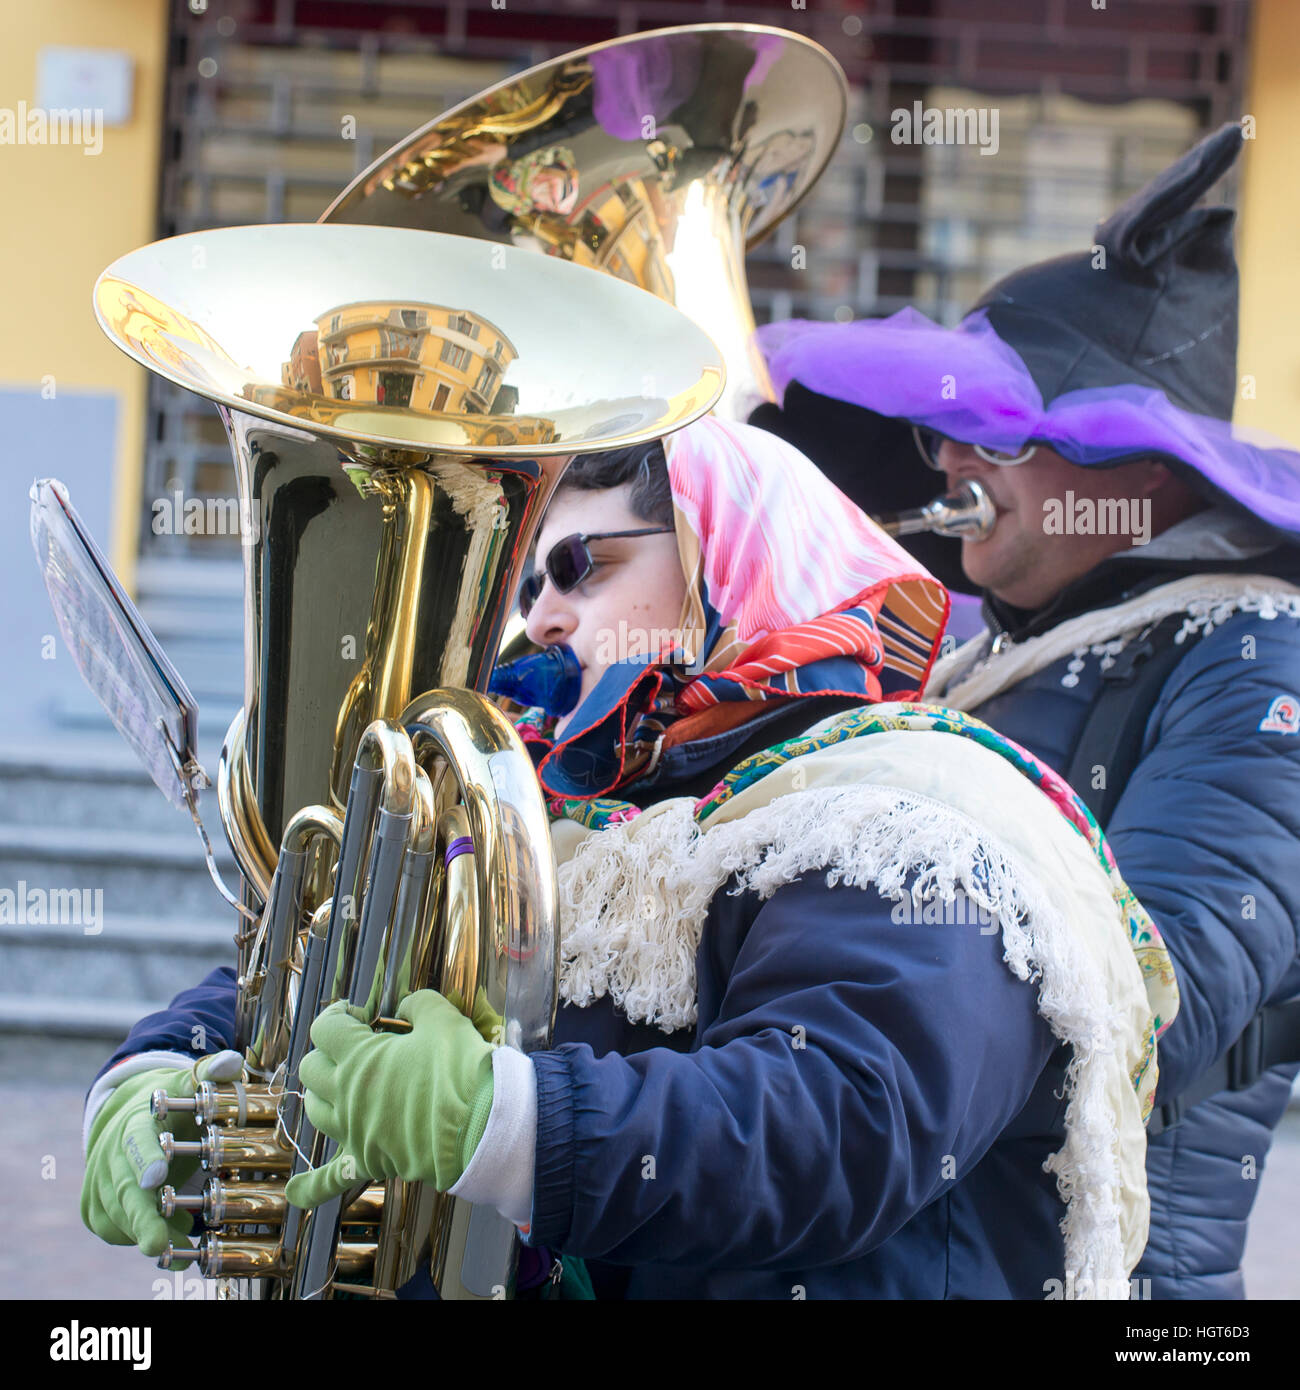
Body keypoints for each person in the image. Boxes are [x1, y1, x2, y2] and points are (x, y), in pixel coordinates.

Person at [80, 413, 1177, 1299]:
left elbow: (837, 1126)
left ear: (725, 547)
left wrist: (498, 1120)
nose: (543, 619)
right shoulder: (572, 796)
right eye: (528, 588)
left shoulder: (915, 807)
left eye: (582, 567)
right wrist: (158, 1081)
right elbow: (339, 949)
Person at [753, 121, 1300, 1299]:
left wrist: (781, 1073)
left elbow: (1149, 1005)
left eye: (998, 428)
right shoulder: (980, 650)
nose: (950, 459)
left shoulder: (1258, 658)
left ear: (1142, 464)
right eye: (946, 425)